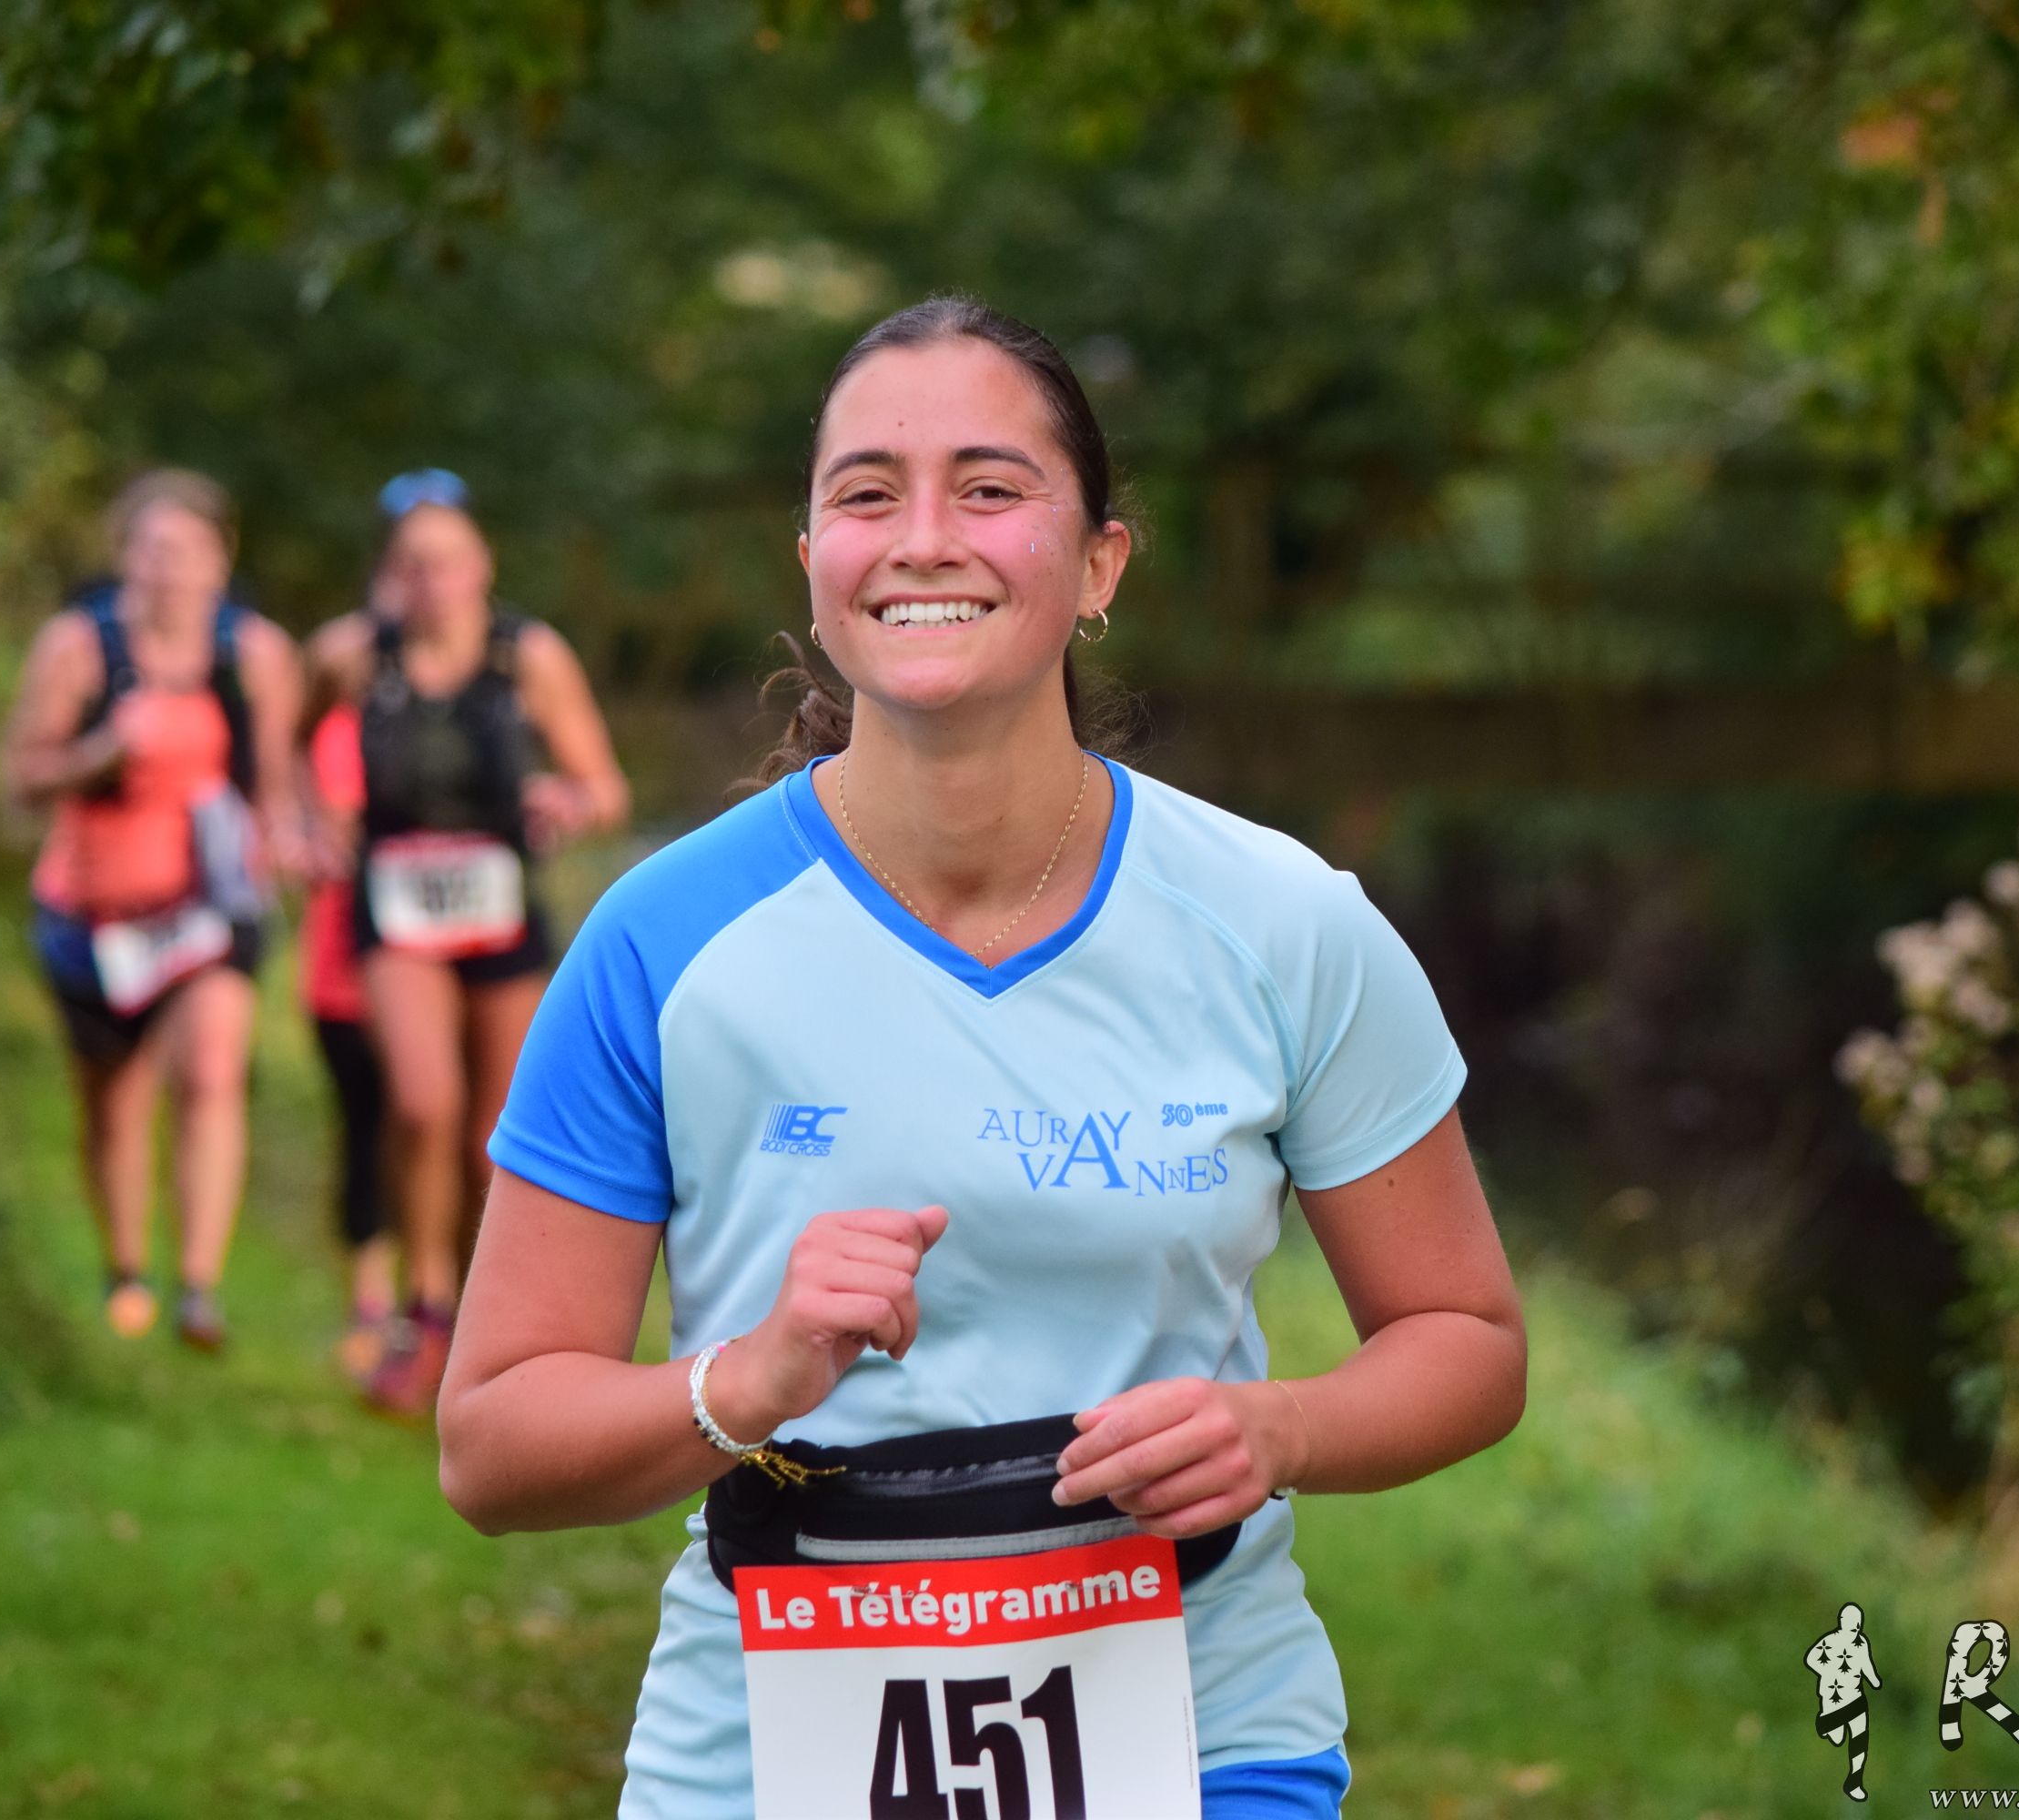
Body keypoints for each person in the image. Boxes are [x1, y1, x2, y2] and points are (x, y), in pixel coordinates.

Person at [435, 298, 1528, 1818]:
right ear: (812, 562)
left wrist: (1284, 1428)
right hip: (761, 1769)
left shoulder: (1284, 924)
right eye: (867, 494)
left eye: (991, 488)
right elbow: (491, 1446)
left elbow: (1467, 1339)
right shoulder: (662, 939)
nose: (923, 540)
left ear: (1099, 564)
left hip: (1206, 1751)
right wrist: (746, 1380)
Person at [305, 471, 629, 1418]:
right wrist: (304, 817)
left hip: (499, 910)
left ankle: (493, 1330)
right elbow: (284, 736)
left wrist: (568, 801)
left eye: (447, 561)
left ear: (481, 564)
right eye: (413, 565)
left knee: (497, 1137)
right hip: (395, 909)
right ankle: (425, 1312)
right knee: (421, 1101)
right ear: (390, 575)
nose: (432, 582)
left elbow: (604, 786)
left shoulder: (528, 656)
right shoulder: (352, 656)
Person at [1, 468, 302, 1350]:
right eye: (153, 550)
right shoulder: (77, 646)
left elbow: (273, 787)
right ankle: (127, 1271)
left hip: (208, 910)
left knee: (210, 1072)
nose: (169, 570)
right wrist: (99, 751)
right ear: (124, 557)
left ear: (222, 561)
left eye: (188, 551)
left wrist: (287, 838)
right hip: (94, 913)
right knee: (113, 1105)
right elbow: (19, 782)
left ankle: (200, 1288)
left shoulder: (255, 654)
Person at [299, 696, 397, 1381]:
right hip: (345, 976)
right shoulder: (342, 727)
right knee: (368, 1135)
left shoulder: (486, 707)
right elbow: (334, 819)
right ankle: (371, 1309)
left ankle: (437, 1307)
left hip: (459, 967)